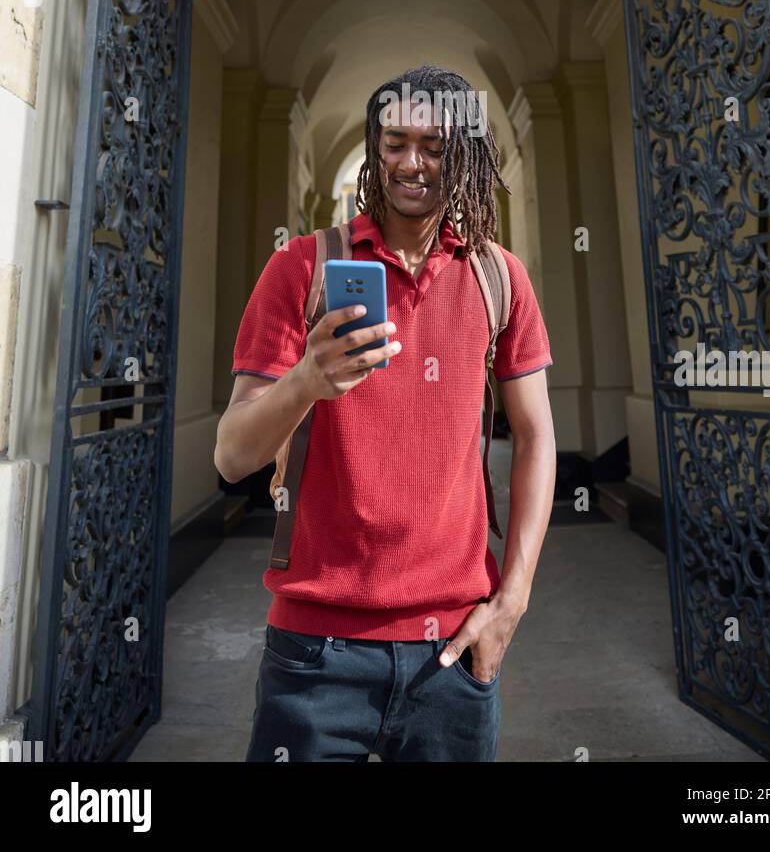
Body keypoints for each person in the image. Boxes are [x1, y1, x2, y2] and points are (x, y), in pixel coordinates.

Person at [215, 64, 556, 762]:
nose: (411, 162)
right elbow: (231, 456)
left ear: (464, 152)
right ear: (373, 150)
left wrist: (511, 599)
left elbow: (534, 435)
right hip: (314, 655)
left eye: (433, 145)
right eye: (394, 142)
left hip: (453, 651)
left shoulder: (499, 278)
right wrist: (305, 380)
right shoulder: (301, 268)